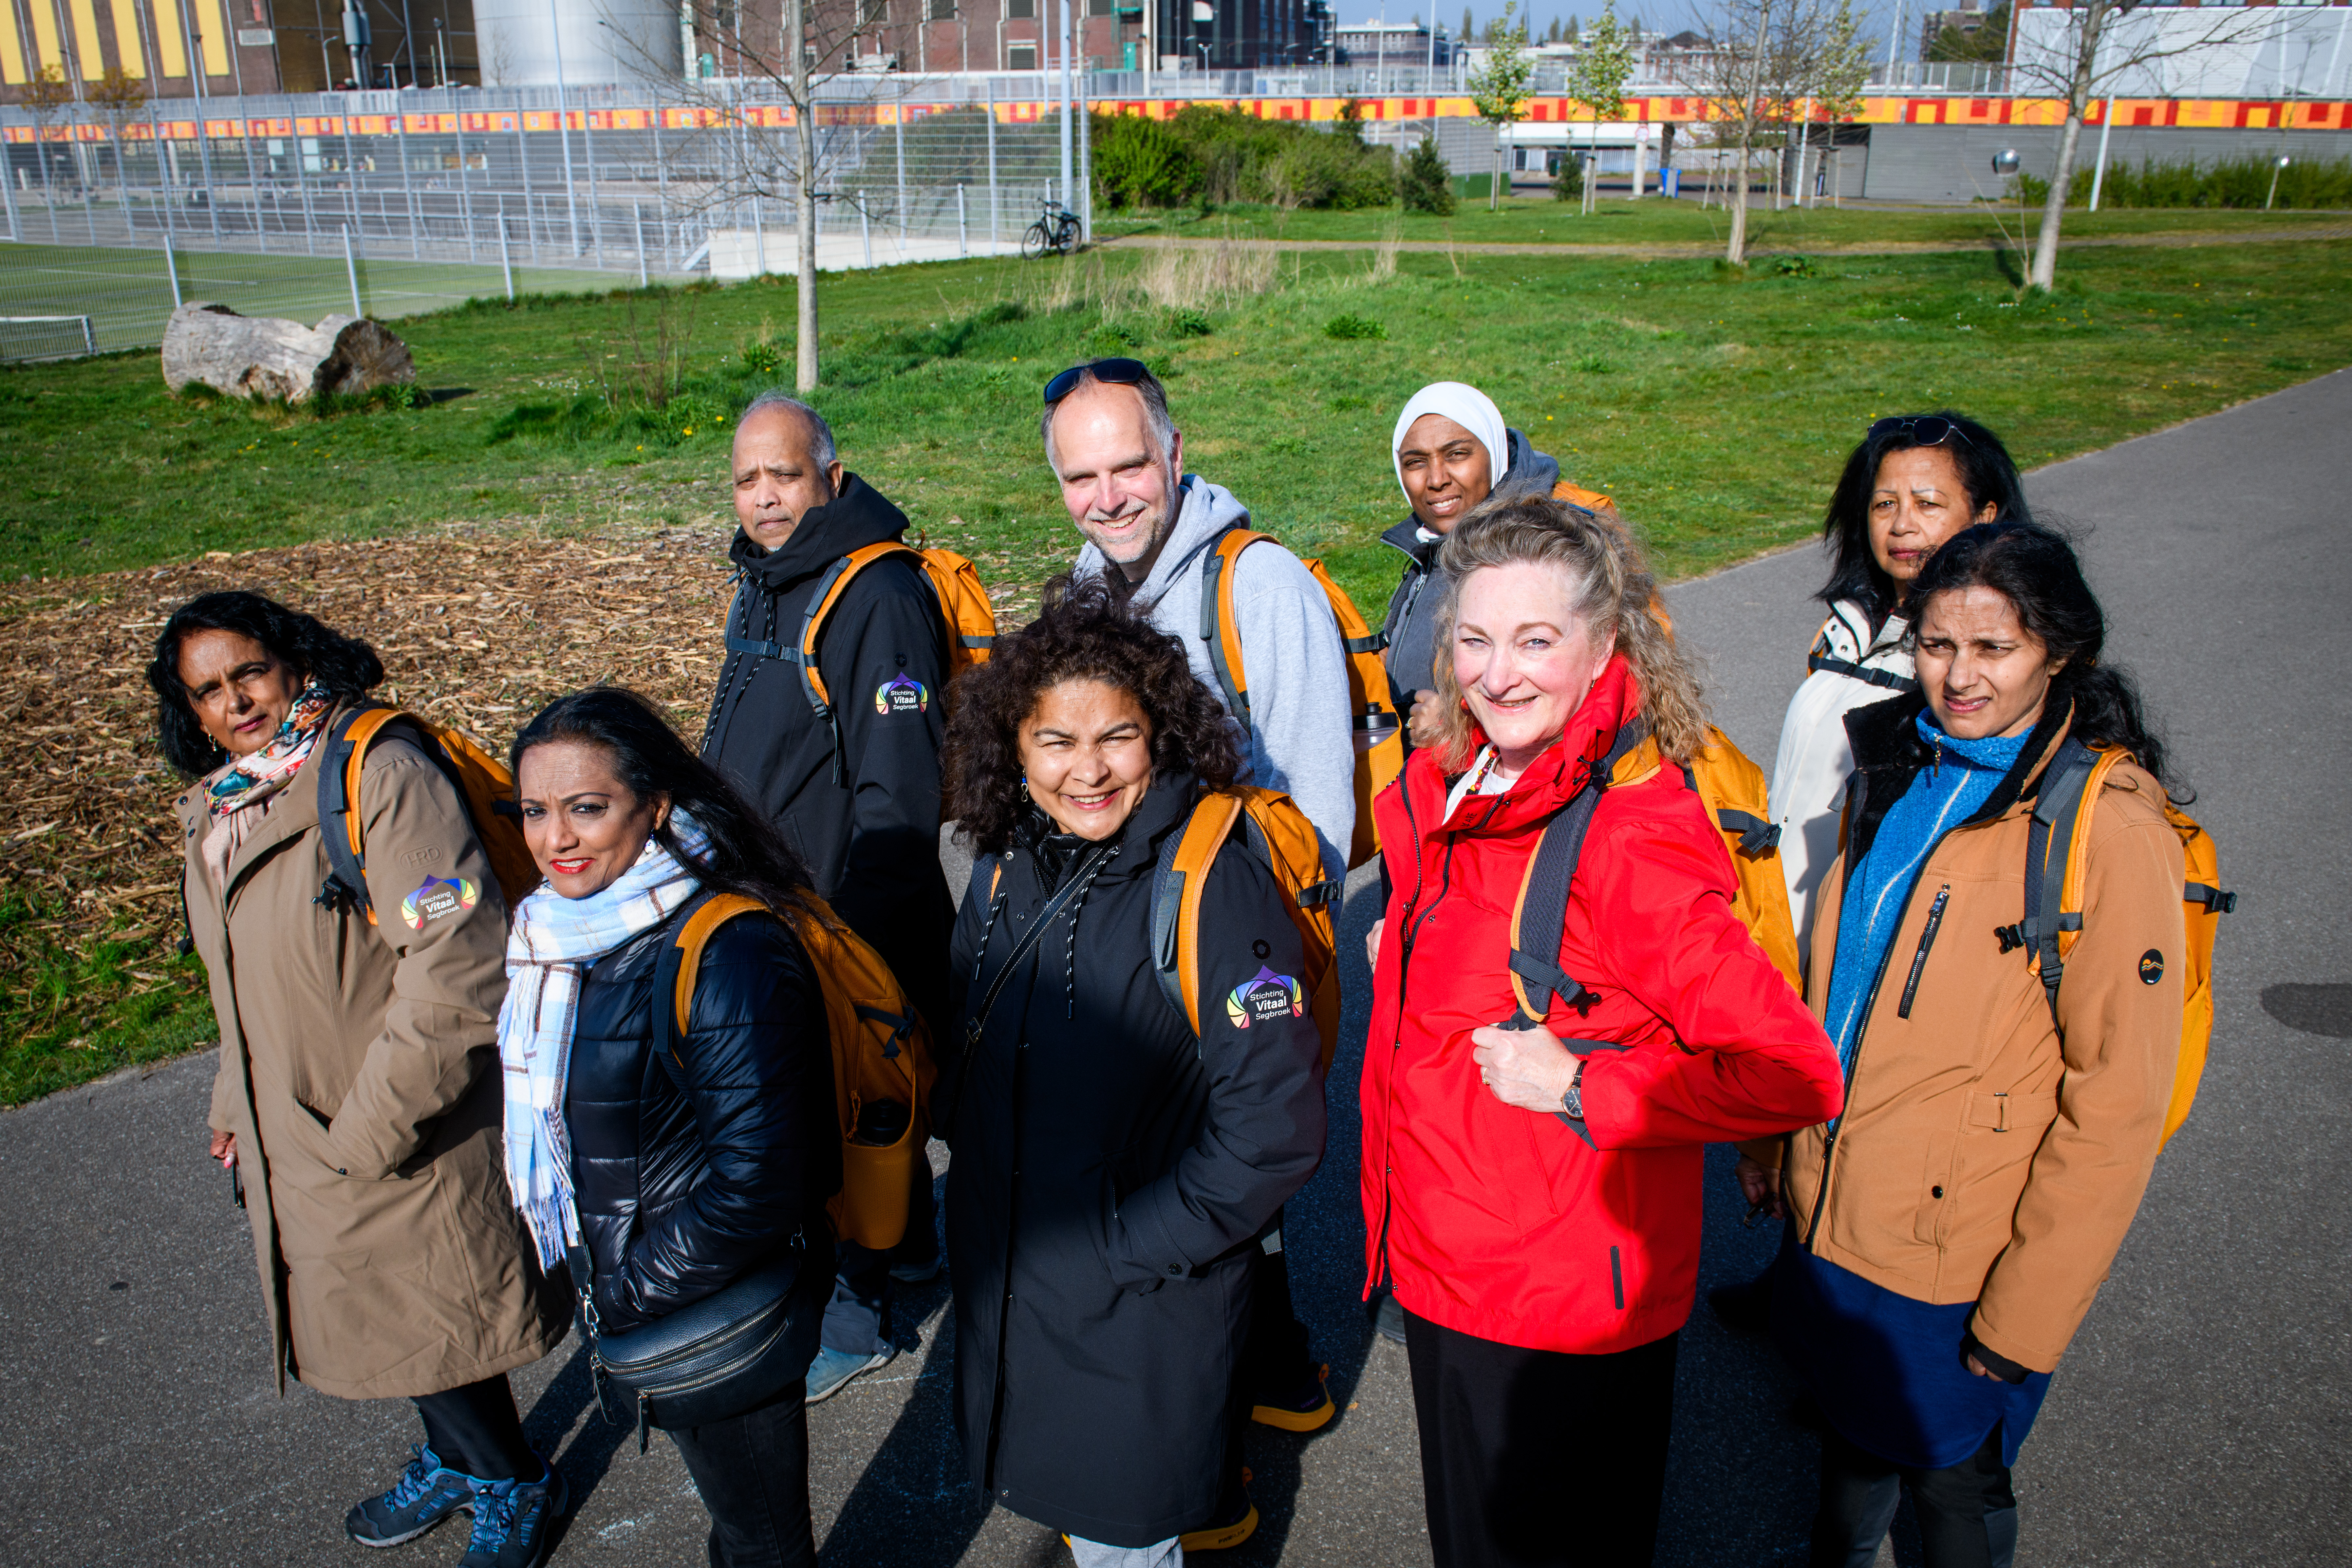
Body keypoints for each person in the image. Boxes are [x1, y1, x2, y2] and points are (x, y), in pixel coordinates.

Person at [1359, 499, 1845, 1568]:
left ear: (1605, 648)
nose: (1498, 675)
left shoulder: (1634, 842)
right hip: (1447, 1262)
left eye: (1537, 640)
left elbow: (1793, 1072)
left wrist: (1586, 1084)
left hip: (1554, 1306)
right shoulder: (1459, 778)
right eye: (1476, 639)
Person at [1741, 522, 2186, 1568]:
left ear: (2060, 650)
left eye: (1997, 649)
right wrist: (1775, 1138)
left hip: (1959, 1256)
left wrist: (2022, 1320)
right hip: (1836, 1207)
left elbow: (2117, 1104)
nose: (1959, 677)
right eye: (1938, 646)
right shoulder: (1893, 760)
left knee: (1954, 1480)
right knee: (1852, 1447)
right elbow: (1828, 986)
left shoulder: (2107, 829)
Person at [153, 591, 569, 1567]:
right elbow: (239, 976)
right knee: (399, 1316)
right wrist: (233, 1099)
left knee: (432, 1313)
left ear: (295, 661)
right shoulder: (227, 800)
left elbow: (460, 960)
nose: (234, 702)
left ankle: (511, 1479)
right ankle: (459, 1458)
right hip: (302, 1116)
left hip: (399, 1115)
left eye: (248, 672)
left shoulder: (376, 770)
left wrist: (373, 1128)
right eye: (206, 692)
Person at [935, 579, 1328, 1567]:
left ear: (1161, 734)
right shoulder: (1004, 861)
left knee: (1124, 1547)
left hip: (1140, 1308)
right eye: (1055, 743)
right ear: (1012, 750)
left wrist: (1124, 1248)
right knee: (1078, 1514)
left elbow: (1273, 1130)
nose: (1088, 771)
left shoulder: (1209, 882)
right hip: (1031, 1296)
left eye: (1117, 736)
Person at [1045, 356, 1351, 1451]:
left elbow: (1318, 823)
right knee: (1194, 1183)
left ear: (1175, 453)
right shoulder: (1089, 581)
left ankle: (1224, 1420)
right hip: (1141, 953)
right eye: (1083, 476)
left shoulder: (1260, 587)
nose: (1111, 494)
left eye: (1130, 463)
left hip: (1226, 949)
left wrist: (1266, 976)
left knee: (1224, 1177)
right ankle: (1275, 1371)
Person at [502, 686, 840, 1568]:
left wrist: (625, 1289)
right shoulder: (556, 932)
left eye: (587, 808)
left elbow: (759, 1181)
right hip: (654, 1280)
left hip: (711, 1301)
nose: (555, 839)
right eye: (535, 811)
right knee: (739, 1528)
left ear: (654, 805)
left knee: (765, 1542)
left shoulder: (726, 950)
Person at [1713, 412, 2035, 1336]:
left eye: (1928, 503)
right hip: (1796, 898)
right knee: (1800, 1092)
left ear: (1986, 510)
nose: (1900, 523)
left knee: (1859, 1104)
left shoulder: (1973, 646)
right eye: (1883, 503)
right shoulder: (1854, 622)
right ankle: (1795, 1278)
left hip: (1881, 915)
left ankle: (1851, 1333)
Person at [699, 390, 948, 1404]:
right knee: (856, 1118)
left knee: (852, 1117)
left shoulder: (876, 595)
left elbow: (899, 792)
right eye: (749, 479)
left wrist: (864, 951)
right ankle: (919, 1252)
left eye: (786, 476)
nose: (764, 498)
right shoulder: (767, 580)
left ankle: (862, 1312)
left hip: (847, 921)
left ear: (831, 480)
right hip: (773, 909)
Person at [1379, 381, 1620, 747]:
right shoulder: (1434, 539)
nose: (1437, 479)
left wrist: (1465, 719)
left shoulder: (1556, 541)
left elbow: (1623, 673)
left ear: (1495, 453)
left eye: (1457, 454)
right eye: (1416, 462)